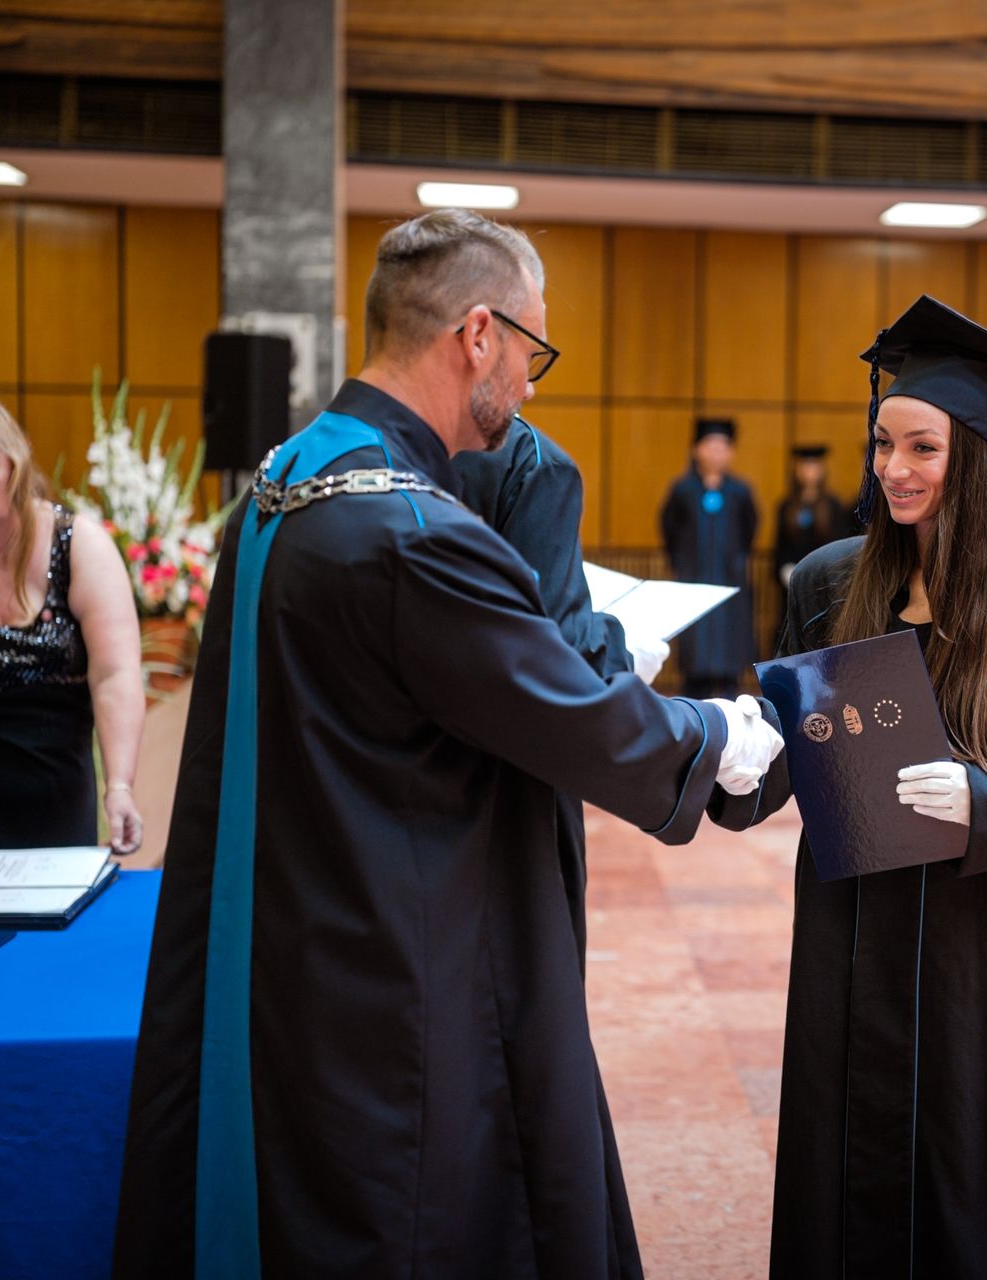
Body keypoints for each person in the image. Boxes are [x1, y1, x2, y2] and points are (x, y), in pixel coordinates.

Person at [113, 209, 786, 1279]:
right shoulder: (409, 534)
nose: (530, 386)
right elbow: (576, 713)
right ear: (478, 334)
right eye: (532, 352)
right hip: (391, 945)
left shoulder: (280, 486)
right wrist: (718, 731)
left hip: (291, 918)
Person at [712, 295, 987, 1278]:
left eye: (923, 448)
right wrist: (723, 752)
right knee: (855, 1152)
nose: (894, 469)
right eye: (883, 443)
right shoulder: (828, 584)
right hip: (855, 923)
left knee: (971, 1154)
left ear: (975, 460)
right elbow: (790, 744)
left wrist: (986, 798)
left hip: (983, 940)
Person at [0, 386, 144, 854]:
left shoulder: (79, 545)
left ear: (13, 463)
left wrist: (120, 785)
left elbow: (115, 674)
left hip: (58, 805)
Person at [454, 414, 668, 683]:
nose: (528, 393)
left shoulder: (410, 450)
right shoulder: (532, 459)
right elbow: (561, 644)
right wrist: (624, 659)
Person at [661, 416, 757, 697]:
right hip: (693, 579)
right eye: (711, 446)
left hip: (729, 580)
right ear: (696, 450)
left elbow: (750, 529)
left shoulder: (740, 492)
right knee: (695, 651)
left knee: (729, 649)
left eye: (723, 447)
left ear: (731, 452)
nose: (717, 452)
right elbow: (669, 530)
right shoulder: (682, 490)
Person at [771, 442, 849, 617]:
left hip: (823, 582)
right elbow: (781, 545)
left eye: (814, 466)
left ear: (822, 470)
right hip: (792, 581)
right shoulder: (786, 505)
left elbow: (837, 546)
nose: (809, 471)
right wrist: (785, 571)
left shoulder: (832, 506)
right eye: (805, 466)